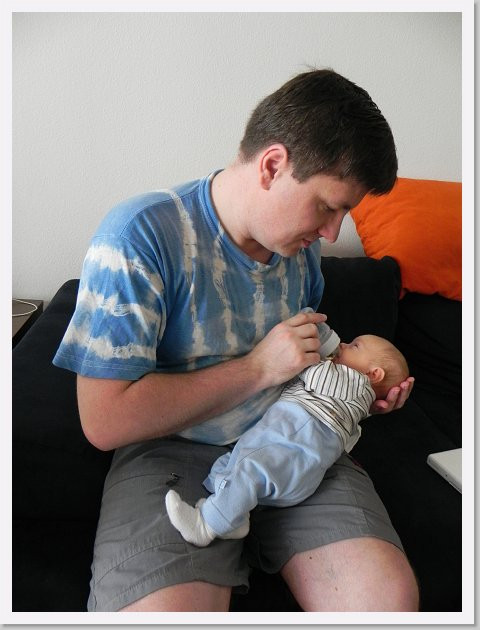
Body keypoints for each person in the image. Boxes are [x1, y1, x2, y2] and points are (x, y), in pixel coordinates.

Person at [53, 68, 418, 612]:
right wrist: (256, 369)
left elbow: (311, 363)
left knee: (385, 605)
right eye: (328, 206)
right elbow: (104, 422)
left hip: (300, 441)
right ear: (272, 165)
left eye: (344, 212)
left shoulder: (300, 250)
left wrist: (356, 391)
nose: (332, 233)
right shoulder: (140, 236)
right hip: (171, 450)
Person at [165, 334, 408, 547]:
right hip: (298, 471)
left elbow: (307, 367)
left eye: (355, 346)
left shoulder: (352, 382)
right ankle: (235, 517)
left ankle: (207, 526)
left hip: (290, 445)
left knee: (247, 470)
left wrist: (304, 353)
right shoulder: (358, 406)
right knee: (229, 465)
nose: (343, 345)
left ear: (373, 374)